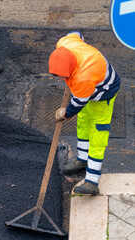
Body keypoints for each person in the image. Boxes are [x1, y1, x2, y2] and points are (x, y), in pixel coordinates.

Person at [49, 31, 121, 195]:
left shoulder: (83, 77)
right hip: (88, 88)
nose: (60, 79)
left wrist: (65, 113)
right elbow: (76, 34)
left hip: (104, 92)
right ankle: (82, 160)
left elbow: (78, 103)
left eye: (62, 76)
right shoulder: (64, 44)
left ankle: (92, 181)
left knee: (97, 131)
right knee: (83, 123)